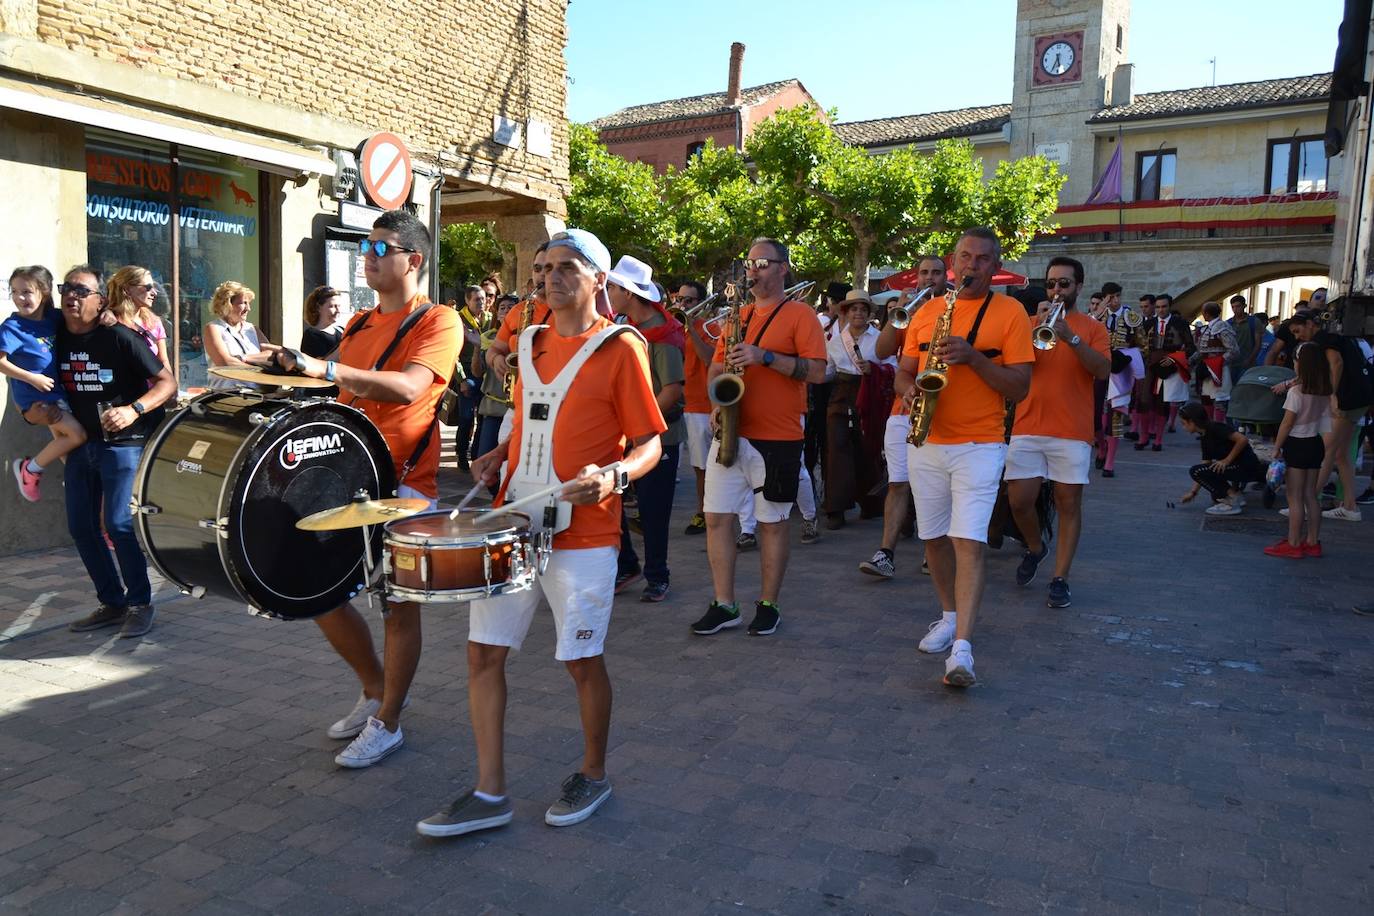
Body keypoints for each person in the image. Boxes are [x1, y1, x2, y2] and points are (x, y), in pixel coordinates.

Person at [415, 228, 665, 837]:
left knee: (581, 661)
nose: (550, 278)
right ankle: (489, 791)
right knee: (483, 654)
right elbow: (534, 418)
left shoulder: (621, 347)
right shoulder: (527, 342)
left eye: (566, 268)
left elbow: (651, 443)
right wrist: (500, 453)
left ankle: (594, 773)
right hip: (514, 524)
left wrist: (613, 477)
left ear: (597, 280)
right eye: (544, 268)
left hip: (585, 535)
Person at [251, 210, 460, 768]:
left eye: (379, 248)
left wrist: (325, 370)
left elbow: (409, 387)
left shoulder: (439, 321)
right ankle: (377, 691)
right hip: (346, 478)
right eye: (366, 247)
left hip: (404, 485)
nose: (366, 257)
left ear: (413, 259)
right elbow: (332, 386)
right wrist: (279, 366)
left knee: (397, 607)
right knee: (316, 588)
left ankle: (388, 721)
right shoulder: (362, 325)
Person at [896, 228, 1033, 687]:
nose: (971, 265)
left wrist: (974, 358)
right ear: (953, 263)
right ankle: (950, 616)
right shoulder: (927, 311)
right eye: (965, 257)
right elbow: (903, 372)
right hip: (928, 439)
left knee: (968, 541)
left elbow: (1019, 387)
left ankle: (963, 651)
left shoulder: (1012, 312)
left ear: (995, 266)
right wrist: (910, 389)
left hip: (980, 443)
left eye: (982, 259)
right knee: (933, 537)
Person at [692, 238, 827, 638]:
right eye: (750, 264)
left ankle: (768, 604)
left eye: (763, 263)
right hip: (733, 430)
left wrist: (764, 357)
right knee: (716, 519)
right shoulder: (738, 317)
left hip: (779, 435)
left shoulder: (801, 315)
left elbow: (818, 372)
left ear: (783, 268)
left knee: (771, 523)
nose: (753, 270)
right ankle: (724, 603)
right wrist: (718, 403)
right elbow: (716, 371)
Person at [56, 265, 177, 638]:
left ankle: (140, 604)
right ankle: (112, 602)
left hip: (123, 444)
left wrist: (133, 409)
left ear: (101, 300)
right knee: (81, 526)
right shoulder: (55, 334)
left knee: (120, 525)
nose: (72, 295)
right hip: (80, 444)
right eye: (67, 288)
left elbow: (166, 382)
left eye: (82, 290)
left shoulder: (120, 337)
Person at [1004, 257, 1110, 609]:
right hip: (1028, 424)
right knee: (1019, 501)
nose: (1057, 290)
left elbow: (1103, 370)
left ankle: (1060, 578)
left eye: (1064, 284)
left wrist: (1072, 338)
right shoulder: (1029, 324)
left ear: (1078, 286)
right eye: (1051, 284)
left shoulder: (1093, 328)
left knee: (1068, 505)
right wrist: (1038, 324)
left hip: (1072, 429)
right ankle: (1036, 547)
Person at [860, 257, 947, 579]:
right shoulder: (909, 310)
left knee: (935, 486)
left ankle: (932, 549)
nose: (929, 278)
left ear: (945, 277)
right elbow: (881, 352)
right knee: (898, 483)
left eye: (935, 273)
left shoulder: (955, 306)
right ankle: (885, 553)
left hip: (944, 410)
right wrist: (899, 314)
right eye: (924, 273)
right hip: (903, 409)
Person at [606, 255, 685, 603]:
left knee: (654, 511)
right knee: (612, 501)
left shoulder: (664, 337)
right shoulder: (623, 325)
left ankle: (658, 575)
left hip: (659, 438)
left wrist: (637, 419)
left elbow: (672, 391)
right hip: (625, 434)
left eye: (612, 287)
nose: (608, 292)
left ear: (627, 292)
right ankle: (628, 564)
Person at [2, 265, 87, 502]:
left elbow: (82, 318)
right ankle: (29, 470)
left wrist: (107, 315)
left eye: (27, 291)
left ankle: (78, 491)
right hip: (36, 399)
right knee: (77, 435)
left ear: (45, 291)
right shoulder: (13, 327)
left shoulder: (54, 318)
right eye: (15, 291)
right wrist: (32, 377)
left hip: (57, 394)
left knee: (67, 450)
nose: (20, 297)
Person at [1287, 309, 1372, 521]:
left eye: (1298, 331)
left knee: (1326, 452)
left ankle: (1307, 503)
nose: (1297, 337)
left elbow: (1336, 363)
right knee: (1341, 455)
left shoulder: (1323, 339)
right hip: (1358, 399)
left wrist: (1333, 396)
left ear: (1309, 324)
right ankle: (1350, 507)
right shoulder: (1333, 338)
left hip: (1346, 399)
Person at [822, 289, 886, 528]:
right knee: (837, 448)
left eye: (862, 309)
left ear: (869, 313)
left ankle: (870, 504)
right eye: (853, 309)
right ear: (845, 313)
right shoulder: (834, 341)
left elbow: (894, 366)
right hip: (841, 395)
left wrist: (873, 369)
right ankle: (835, 508)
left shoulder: (880, 338)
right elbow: (828, 372)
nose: (858, 313)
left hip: (869, 394)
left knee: (867, 448)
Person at [1266, 342, 1332, 558]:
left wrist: (1276, 447)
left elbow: (1287, 423)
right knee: (1311, 496)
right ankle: (1313, 541)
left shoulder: (1296, 392)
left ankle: (1293, 543)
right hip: (1315, 443)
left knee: (1294, 497)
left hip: (1296, 443)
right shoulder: (1324, 390)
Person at [1176, 402, 1264, 515]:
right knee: (1215, 492)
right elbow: (1204, 466)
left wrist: (1226, 460)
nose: (1183, 427)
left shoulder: (1216, 428)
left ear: (1192, 421)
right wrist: (1193, 493)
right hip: (1235, 467)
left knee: (1197, 472)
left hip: (1246, 465)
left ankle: (1233, 499)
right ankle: (1235, 497)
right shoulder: (1204, 436)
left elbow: (1242, 439)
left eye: (1183, 423)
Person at [675, 280, 713, 536]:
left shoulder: (710, 327)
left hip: (701, 405)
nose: (683, 305)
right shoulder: (674, 327)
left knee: (702, 467)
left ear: (700, 303)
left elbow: (709, 358)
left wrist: (691, 328)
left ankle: (703, 513)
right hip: (679, 402)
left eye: (689, 300)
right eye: (680, 299)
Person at [1137, 291, 1196, 449]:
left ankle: (1158, 440)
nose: (1160, 310)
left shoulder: (1180, 323)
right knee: (1144, 400)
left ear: (1170, 307)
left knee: (1162, 403)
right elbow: (1139, 344)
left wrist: (1174, 358)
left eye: (1163, 307)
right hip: (1150, 364)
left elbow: (1191, 347)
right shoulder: (1148, 323)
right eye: (1157, 307)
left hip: (1170, 364)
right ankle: (1143, 437)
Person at [204, 280, 278, 386]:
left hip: (257, 394)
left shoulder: (252, 329)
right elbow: (225, 363)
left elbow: (271, 355)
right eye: (244, 303)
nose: (248, 308)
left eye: (248, 303)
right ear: (227, 304)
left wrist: (242, 358)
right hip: (226, 396)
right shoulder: (214, 328)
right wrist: (260, 368)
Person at [472, 294, 517, 465]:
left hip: (515, 408)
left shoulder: (525, 336)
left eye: (511, 307)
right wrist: (478, 346)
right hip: (493, 408)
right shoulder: (487, 338)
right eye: (502, 307)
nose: (506, 310)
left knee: (509, 462)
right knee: (484, 458)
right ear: (497, 313)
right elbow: (477, 372)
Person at [105, 266, 171, 374]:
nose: (154, 293)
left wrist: (171, 388)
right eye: (148, 287)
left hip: (155, 389)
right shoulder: (109, 320)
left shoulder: (154, 322)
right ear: (127, 289)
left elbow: (163, 361)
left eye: (154, 287)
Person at [452, 285, 488, 472]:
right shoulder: (458, 320)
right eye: (477, 299)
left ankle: (477, 454)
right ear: (467, 301)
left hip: (485, 373)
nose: (481, 303)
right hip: (466, 373)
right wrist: (462, 379)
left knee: (483, 416)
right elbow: (453, 354)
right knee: (466, 417)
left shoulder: (489, 319)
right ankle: (461, 453)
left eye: (483, 299)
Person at [1192, 301, 1239, 421]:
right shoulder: (1206, 328)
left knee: (1219, 400)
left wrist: (1219, 362)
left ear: (1206, 314)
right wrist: (1191, 360)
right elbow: (1202, 351)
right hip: (1207, 369)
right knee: (1207, 398)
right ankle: (1210, 429)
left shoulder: (1222, 327)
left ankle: (1218, 428)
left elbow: (1233, 350)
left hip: (1219, 370)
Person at [301, 285, 344, 358]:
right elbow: (320, 365)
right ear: (318, 308)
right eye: (332, 306)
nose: (338, 311)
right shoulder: (312, 335)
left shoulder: (342, 331)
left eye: (339, 306)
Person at [1227, 294, 1262, 378]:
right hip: (1231, 363)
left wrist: (1250, 359)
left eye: (1238, 306)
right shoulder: (1228, 323)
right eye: (1233, 307)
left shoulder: (1254, 321)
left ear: (1244, 306)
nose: (1235, 309)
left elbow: (1258, 344)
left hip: (1248, 363)